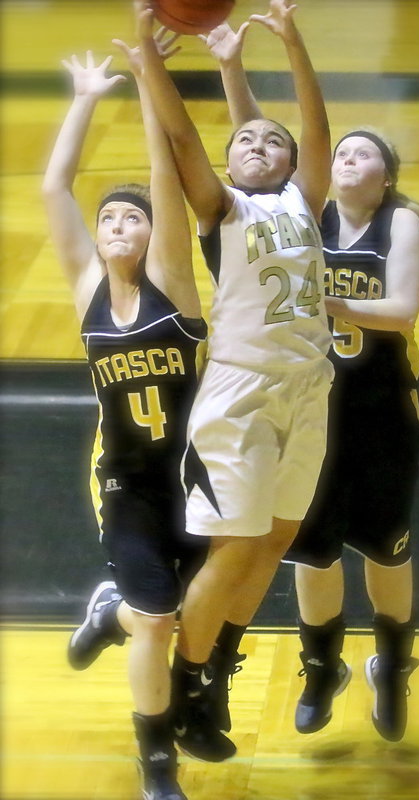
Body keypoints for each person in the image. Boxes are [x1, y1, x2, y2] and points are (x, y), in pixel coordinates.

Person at [201, 21, 419, 744]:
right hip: (309, 404)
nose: (343, 157)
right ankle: (321, 665)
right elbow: (256, 142)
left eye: (360, 151)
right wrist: (232, 63)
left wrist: (327, 301)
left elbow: (399, 313)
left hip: (381, 409)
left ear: (385, 174)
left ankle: (391, 666)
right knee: (312, 551)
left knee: (386, 549)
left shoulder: (397, 222)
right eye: (336, 151)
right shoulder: (298, 211)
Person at [135, 0, 334, 762]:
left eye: (270, 140)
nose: (258, 142)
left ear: (287, 163)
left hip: (307, 389)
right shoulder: (225, 207)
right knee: (236, 542)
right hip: (242, 391)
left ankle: (217, 668)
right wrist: (151, 64)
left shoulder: (302, 202)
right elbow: (185, 137)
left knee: (275, 539)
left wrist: (292, 42)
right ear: (230, 162)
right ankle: (186, 681)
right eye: (245, 137)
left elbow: (313, 129)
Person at [42, 31, 207, 800]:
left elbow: (163, 178)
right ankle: (156, 762)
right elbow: (53, 191)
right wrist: (81, 103)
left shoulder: (174, 278)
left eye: (129, 218)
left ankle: (114, 612)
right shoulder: (85, 289)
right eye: (107, 218)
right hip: (126, 481)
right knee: (160, 621)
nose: (114, 225)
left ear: (151, 234)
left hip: (199, 475)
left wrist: (149, 76)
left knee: (186, 617)